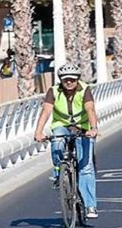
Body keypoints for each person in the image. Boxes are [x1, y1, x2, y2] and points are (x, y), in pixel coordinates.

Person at [34, 63, 99, 219]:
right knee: (56, 142)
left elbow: (90, 109)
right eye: (65, 80)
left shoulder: (84, 90)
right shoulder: (54, 91)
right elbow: (46, 111)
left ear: (77, 79)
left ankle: (90, 206)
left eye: (72, 79)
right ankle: (59, 170)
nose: (69, 82)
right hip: (61, 125)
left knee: (86, 167)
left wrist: (93, 128)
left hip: (82, 126)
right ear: (61, 81)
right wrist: (38, 131)